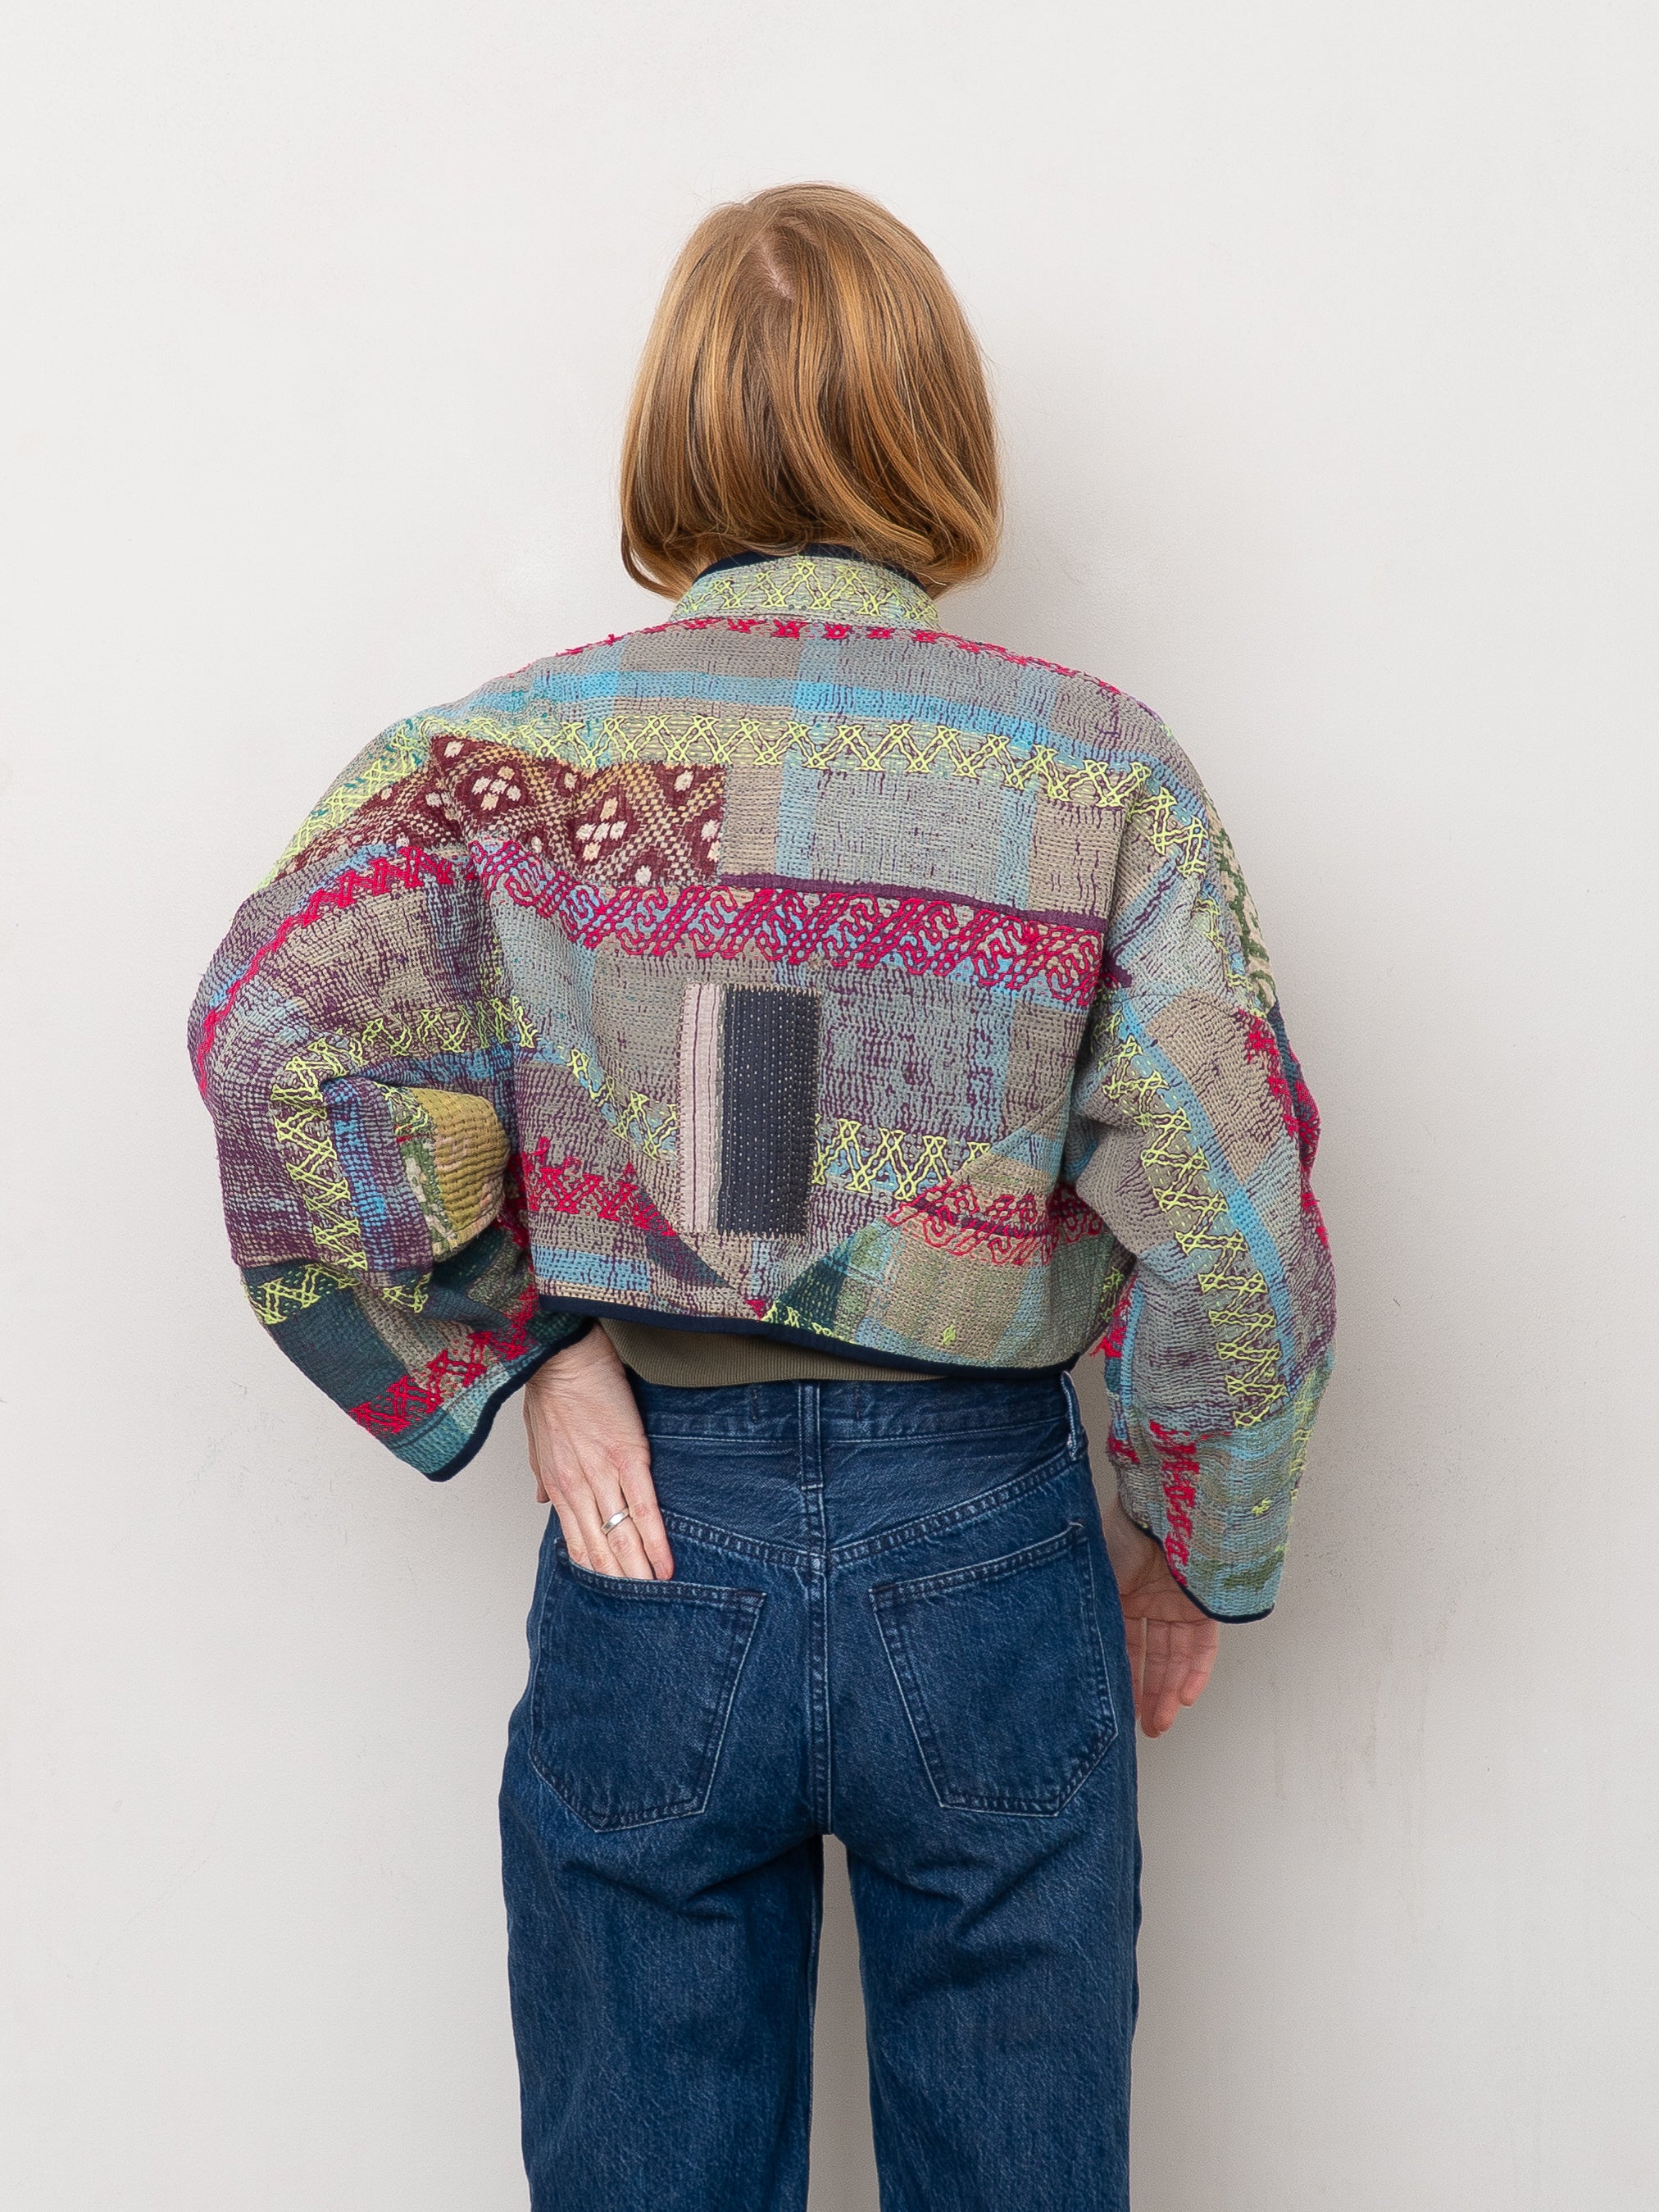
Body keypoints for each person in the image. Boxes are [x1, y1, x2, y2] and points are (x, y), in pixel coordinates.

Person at [189, 182, 1334, 2212]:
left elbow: (276, 1041)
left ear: (674, 427)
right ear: (935, 427)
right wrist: (1193, 1538)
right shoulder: (1097, 772)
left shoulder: (512, 759)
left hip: (654, 1539)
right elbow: (1232, 1220)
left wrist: (523, 1353)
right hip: (984, 1539)